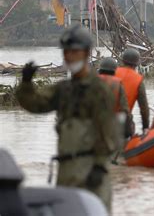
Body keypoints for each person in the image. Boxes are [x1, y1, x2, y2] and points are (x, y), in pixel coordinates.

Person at [15, 25, 119, 210]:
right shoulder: (63, 89)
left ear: (87, 53)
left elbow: (109, 133)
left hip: (90, 169)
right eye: (66, 52)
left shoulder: (99, 90)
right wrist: (26, 83)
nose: (69, 56)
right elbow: (36, 104)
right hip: (65, 169)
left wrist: (100, 166)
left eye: (74, 52)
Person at [115, 49, 150, 135]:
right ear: (137, 63)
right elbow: (144, 108)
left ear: (122, 60)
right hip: (123, 121)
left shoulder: (112, 72)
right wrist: (145, 127)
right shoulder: (138, 79)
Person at [98, 57, 132, 138]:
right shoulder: (117, 84)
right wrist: (128, 133)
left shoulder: (90, 81)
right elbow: (125, 110)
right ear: (115, 70)